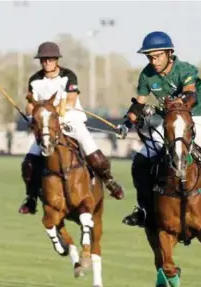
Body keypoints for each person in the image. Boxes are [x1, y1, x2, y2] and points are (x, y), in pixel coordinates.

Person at [116, 31, 201, 226]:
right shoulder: (147, 75)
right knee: (140, 162)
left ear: (169, 53)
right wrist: (127, 123)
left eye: (158, 56)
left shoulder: (185, 70)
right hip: (167, 124)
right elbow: (139, 104)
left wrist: (176, 103)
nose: (154, 61)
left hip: (193, 120)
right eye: (150, 57)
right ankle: (143, 209)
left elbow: (191, 95)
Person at [18, 41, 124, 215]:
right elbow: (30, 105)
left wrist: (53, 111)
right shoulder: (35, 80)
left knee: (92, 151)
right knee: (29, 162)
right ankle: (31, 199)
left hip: (70, 120)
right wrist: (32, 116)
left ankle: (109, 181)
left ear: (57, 60)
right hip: (48, 127)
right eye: (43, 59)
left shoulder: (68, 76)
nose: (47, 62)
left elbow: (71, 100)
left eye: (50, 59)